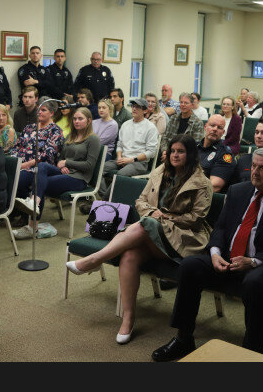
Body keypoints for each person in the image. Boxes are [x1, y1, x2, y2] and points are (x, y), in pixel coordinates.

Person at [150, 147, 263, 360]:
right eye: (253, 166)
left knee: (255, 282)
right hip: (229, 259)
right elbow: (221, 228)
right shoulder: (237, 191)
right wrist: (215, 253)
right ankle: (183, 338)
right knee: (190, 266)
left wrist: (252, 261)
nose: (255, 172)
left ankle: (252, 352)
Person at [67, 135, 213, 345]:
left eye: (180, 151)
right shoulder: (160, 171)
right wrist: (154, 214)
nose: (175, 155)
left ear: (190, 154)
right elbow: (141, 201)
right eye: (172, 151)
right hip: (153, 234)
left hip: (183, 241)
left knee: (145, 225)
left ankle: (93, 260)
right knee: (129, 255)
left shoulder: (202, 183)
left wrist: (164, 218)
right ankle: (128, 319)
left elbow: (196, 219)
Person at [22, 107, 101, 226]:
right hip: (64, 172)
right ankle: (34, 203)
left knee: (38, 181)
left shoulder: (93, 139)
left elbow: (89, 165)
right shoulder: (70, 136)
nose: (76, 121)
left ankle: (33, 225)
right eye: (74, 119)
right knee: (42, 166)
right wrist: (61, 165)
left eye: (80, 119)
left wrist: (67, 163)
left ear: (89, 121)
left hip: (79, 178)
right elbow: (60, 158)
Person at [11, 98, 66, 239]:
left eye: (44, 110)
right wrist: (14, 161)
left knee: (20, 180)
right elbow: (17, 147)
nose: (39, 112)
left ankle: (28, 217)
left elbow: (48, 155)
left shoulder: (56, 131)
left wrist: (25, 165)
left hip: (38, 167)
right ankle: (16, 213)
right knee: (7, 177)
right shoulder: (29, 127)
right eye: (39, 109)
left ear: (52, 113)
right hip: (21, 164)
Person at [97, 98, 159, 200]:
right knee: (98, 168)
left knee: (120, 174)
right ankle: (107, 198)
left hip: (139, 163)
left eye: (138, 107)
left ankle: (104, 201)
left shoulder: (150, 127)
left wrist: (132, 159)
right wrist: (119, 157)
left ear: (145, 111)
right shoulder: (126, 124)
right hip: (123, 159)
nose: (134, 109)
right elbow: (120, 144)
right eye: (133, 106)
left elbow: (151, 152)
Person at [197, 115, 236, 193]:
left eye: (219, 128)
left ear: (223, 132)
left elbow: (215, 186)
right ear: (205, 127)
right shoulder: (193, 147)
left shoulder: (225, 154)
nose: (215, 129)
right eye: (212, 125)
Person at [160, 93, 205, 160]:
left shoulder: (197, 123)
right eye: (181, 102)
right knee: (156, 170)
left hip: (185, 157)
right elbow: (165, 138)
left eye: (186, 103)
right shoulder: (173, 118)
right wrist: (165, 151)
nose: (183, 105)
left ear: (192, 105)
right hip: (169, 154)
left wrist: (175, 155)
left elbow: (196, 145)